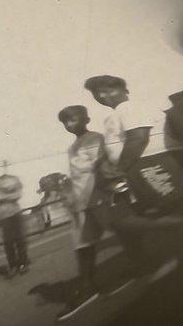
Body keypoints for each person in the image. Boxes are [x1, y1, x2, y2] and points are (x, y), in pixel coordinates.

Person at [83, 75, 183, 289]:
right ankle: (146, 261)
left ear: (124, 90)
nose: (102, 95)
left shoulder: (128, 107)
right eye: (97, 93)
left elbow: (139, 138)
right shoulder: (117, 113)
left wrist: (117, 171)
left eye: (108, 90)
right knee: (127, 218)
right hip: (135, 167)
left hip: (150, 163)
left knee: (172, 208)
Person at [55, 105, 106, 321]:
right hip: (78, 200)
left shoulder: (95, 138)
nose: (69, 125)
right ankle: (89, 285)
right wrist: (65, 185)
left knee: (86, 243)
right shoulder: (72, 146)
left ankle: (88, 287)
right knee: (82, 244)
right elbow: (77, 173)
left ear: (86, 119)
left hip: (95, 196)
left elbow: (100, 166)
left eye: (73, 120)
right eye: (65, 122)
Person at [0, 168, 29, 277]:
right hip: (4, 215)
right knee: (8, 242)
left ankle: (23, 264)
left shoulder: (14, 179)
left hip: (16, 212)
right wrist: (11, 193)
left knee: (20, 239)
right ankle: (12, 266)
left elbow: (18, 195)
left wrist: (6, 195)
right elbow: (0, 195)